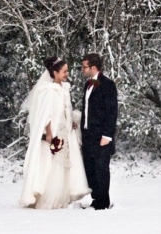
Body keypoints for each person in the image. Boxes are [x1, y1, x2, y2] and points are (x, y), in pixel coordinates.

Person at [19, 56, 91, 209]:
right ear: (55, 72)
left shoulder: (64, 88)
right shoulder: (49, 91)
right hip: (56, 131)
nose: (67, 74)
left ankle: (61, 197)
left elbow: (65, 109)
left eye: (67, 71)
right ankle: (49, 198)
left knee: (64, 163)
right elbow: (47, 114)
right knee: (54, 163)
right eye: (64, 71)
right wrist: (49, 133)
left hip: (65, 129)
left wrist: (70, 120)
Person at [79, 53, 118, 210]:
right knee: (90, 169)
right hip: (88, 135)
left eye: (84, 67)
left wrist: (107, 135)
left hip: (101, 136)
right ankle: (96, 199)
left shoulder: (107, 84)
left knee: (101, 170)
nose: (82, 69)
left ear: (93, 67)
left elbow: (111, 111)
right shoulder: (88, 84)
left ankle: (103, 203)